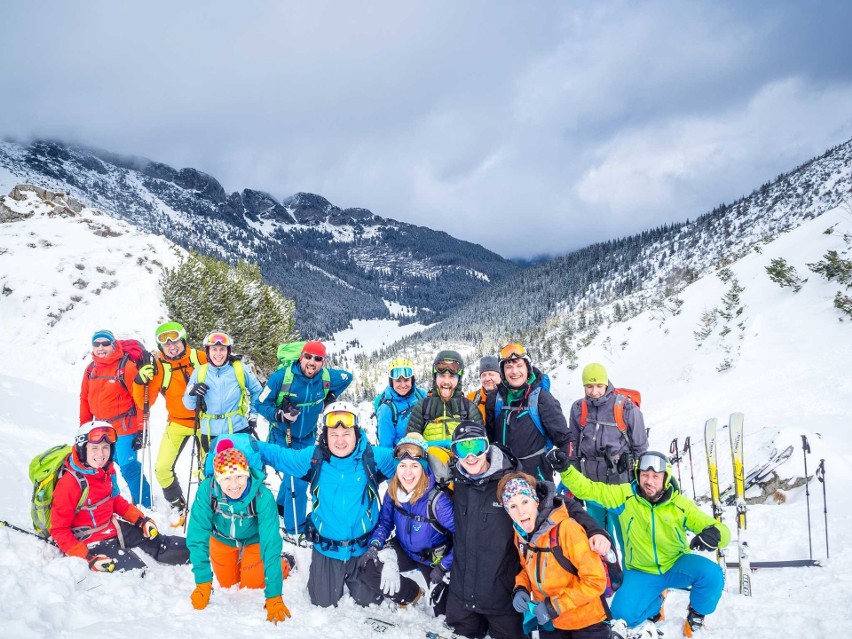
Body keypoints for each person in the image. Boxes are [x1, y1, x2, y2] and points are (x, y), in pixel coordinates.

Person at [447, 421, 610, 639]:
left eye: (476, 446)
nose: (470, 456)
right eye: (462, 449)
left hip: (504, 595)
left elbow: (555, 501)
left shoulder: (510, 478)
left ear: (487, 446)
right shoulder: (456, 480)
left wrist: (595, 530)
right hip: (465, 594)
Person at [255, 401, 422, 609]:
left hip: (363, 549)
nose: (340, 441)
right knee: (321, 602)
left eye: (346, 434)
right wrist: (235, 443)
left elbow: (412, 462)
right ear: (325, 435)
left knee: (369, 601)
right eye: (334, 434)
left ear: (356, 433)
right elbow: (276, 455)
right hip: (327, 549)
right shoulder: (313, 458)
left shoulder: (373, 458)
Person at [550, 450, 730, 639]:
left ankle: (697, 614)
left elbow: (720, 529)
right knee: (621, 617)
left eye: (655, 476)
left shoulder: (680, 504)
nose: (649, 481)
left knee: (712, 574)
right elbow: (589, 489)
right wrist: (566, 470)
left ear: (665, 477)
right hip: (641, 570)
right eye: (644, 475)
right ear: (638, 475)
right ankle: (657, 600)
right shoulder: (625, 496)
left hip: (676, 563)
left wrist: (715, 534)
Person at [49, 420, 189, 572]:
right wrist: (87, 558)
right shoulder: (70, 483)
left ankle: (204, 551)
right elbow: (59, 529)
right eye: (94, 448)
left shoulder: (106, 470)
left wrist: (141, 520)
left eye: (105, 447)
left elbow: (115, 501)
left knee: (158, 542)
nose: (101, 454)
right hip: (89, 540)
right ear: (83, 449)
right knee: (137, 573)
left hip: (112, 527)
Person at [253, 340, 352, 539]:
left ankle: (281, 507)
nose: (312, 362)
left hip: (307, 437)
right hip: (283, 436)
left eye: (317, 359)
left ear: (323, 362)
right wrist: (279, 414)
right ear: (301, 357)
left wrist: (330, 396)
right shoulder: (282, 377)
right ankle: (294, 529)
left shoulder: (325, 377)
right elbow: (260, 403)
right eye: (308, 357)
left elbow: (348, 377)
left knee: (293, 479)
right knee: (298, 482)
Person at [186, 437, 291, 625]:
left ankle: (286, 564)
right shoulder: (207, 491)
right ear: (218, 478)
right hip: (222, 538)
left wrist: (274, 595)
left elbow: (270, 542)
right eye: (226, 478)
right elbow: (197, 536)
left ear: (248, 474)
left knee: (250, 584)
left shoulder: (262, 496)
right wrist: (202, 582)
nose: (234, 485)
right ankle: (240, 561)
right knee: (227, 583)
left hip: (253, 539)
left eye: (239, 476)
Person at [499, 472, 611, 639]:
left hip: (587, 622)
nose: (521, 512)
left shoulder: (566, 529)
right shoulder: (521, 534)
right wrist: (521, 588)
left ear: (535, 501)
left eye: (525, 501)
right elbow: (526, 567)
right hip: (552, 623)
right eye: (512, 506)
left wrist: (554, 606)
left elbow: (595, 581)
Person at [365, 434, 454, 616]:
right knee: (368, 567)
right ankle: (412, 593)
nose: (407, 473)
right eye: (402, 466)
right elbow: (384, 523)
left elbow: (462, 537)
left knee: (446, 614)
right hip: (405, 550)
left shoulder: (438, 501)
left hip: (434, 561)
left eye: (414, 466)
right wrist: (375, 546)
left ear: (423, 467)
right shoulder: (393, 492)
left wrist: (444, 566)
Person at [567, 363, 648, 557]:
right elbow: (574, 447)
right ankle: (607, 579)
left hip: (620, 487)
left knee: (627, 538)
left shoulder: (626, 408)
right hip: (591, 485)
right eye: (589, 386)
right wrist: (574, 483)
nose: (594, 392)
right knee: (598, 537)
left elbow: (641, 448)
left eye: (599, 386)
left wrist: (641, 483)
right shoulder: (579, 408)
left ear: (606, 384)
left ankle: (631, 580)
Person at [133, 321, 207, 519]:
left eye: (175, 342)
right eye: (166, 344)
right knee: (162, 469)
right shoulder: (158, 367)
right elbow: (144, 403)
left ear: (183, 341)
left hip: (206, 422)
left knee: (206, 471)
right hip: (177, 422)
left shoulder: (200, 358)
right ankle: (177, 503)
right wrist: (140, 382)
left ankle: (207, 506)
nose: (172, 347)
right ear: (160, 347)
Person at [80, 329, 151, 506]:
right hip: (100, 428)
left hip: (125, 427)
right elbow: (84, 398)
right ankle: (112, 503)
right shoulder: (91, 369)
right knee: (105, 466)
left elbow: (141, 400)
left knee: (128, 467)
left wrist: (142, 430)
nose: (101, 348)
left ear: (113, 345)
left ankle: (145, 503)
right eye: (97, 344)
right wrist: (84, 427)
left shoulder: (125, 367)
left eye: (105, 344)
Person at [485, 343, 571, 481]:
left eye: (519, 365)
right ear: (502, 372)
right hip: (503, 476)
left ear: (528, 368)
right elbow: (488, 438)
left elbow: (565, 438)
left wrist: (567, 463)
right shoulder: (495, 399)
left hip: (536, 477)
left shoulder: (542, 399)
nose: (514, 371)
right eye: (508, 367)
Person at [183, 330, 262, 447]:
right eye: (214, 349)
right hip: (210, 432)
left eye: (222, 349)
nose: (218, 353)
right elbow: (189, 406)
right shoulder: (200, 372)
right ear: (208, 351)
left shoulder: (240, 369)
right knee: (213, 465)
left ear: (228, 351)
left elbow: (257, 391)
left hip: (238, 428)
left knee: (241, 464)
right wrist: (191, 392)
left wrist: (253, 415)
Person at [406, 350, 482, 443]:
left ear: (459, 380)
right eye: (442, 375)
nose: (446, 381)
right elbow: (411, 446)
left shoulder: (469, 408)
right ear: (435, 377)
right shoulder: (423, 407)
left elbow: (479, 446)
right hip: (429, 457)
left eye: (452, 376)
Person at [375, 357, 428, 447]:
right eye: (398, 381)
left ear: (412, 380)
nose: (403, 385)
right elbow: (386, 447)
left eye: (406, 380)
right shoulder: (386, 409)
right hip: (404, 457)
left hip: (427, 450)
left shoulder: (422, 395)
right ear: (392, 382)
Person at [466, 355, 501, 422]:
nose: (487, 378)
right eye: (483, 375)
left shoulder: (509, 397)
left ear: (500, 376)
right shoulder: (471, 399)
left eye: (491, 374)